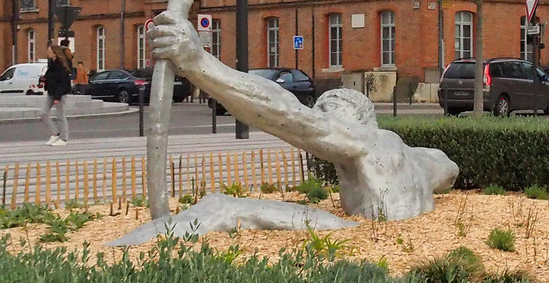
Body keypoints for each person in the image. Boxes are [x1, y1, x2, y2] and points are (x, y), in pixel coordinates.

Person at [148, 11, 457, 220]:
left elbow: (284, 110)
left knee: (224, 209)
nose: (318, 114)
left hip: (378, 246)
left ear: (361, 117)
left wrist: (198, 63)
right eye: (319, 108)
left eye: (330, 108)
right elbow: (447, 168)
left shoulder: (366, 139)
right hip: (393, 237)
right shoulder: (412, 155)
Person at [41, 41, 73, 146]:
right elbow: (50, 77)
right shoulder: (52, 64)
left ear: (55, 53)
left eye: (49, 51)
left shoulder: (61, 66)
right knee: (43, 113)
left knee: (60, 116)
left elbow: (63, 83)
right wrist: (43, 80)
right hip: (51, 92)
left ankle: (63, 138)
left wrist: (58, 97)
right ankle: (55, 133)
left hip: (59, 94)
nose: (47, 52)